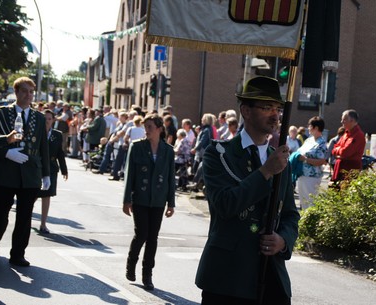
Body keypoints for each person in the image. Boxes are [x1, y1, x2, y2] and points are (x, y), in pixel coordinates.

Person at [195, 76, 299, 305]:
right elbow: (224, 205)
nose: (275, 115)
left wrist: (283, 241)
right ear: (246, 111)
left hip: (270, 278)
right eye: (266, 107)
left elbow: (290, 214)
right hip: (227, 279)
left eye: (277, 108)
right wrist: (266, 171)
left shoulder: (281, 160)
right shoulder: (219, 154)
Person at [0, 76, 50, 267]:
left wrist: (46, 173)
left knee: (25, 216)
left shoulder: (39, 118)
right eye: (24, 91)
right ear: (16, 92)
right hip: (6, 172)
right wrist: (6, 150)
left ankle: (18, 254)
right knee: (0, 215)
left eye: (31, 92)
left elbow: (43, 147)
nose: (28, 95)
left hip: (30, 174)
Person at [123, 114, 175, 290]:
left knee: (153, 238)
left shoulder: (168, 150)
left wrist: (171, 203)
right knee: (142, 233)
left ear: (159, 129)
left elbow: (170, 178)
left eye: (150, 127)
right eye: (145, 127)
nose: (147, 131)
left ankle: (147, 274)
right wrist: (126, 199)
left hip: (158, 200)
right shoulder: (137, 147)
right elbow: (130, 175)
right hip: (141, 198)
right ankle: (131, 263)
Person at [36, 109, 68, 234]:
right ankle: (25, 219)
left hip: (51, 168)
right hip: (37, 167)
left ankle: (43, 224)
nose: (47, 121)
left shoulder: (57, 134)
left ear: (53, 120)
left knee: (47, 195)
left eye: (49, 119)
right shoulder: (37, 133)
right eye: (45, 119)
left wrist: (64, 169)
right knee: (32, 195)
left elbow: (60, 153)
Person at [296, 116, 328, 210]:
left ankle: (309, 223)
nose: (308, 128)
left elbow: (322, 161)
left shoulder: (321, 143)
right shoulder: (308, 140)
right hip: (302, 174)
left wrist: (305, 159)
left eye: (310, 126)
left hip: (312, 177)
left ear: (316, 128)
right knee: (303, 202)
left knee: (310, 203)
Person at [331, 109, 366, 183]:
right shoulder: (346, 133)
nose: (341, 122)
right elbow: (334, 149)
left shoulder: (358, 135)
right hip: (340, 168)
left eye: (344, 120)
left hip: (350, 170)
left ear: (352, 121)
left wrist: (338, 152)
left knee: (345, 192)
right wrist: (339, 151)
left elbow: (345, 152)